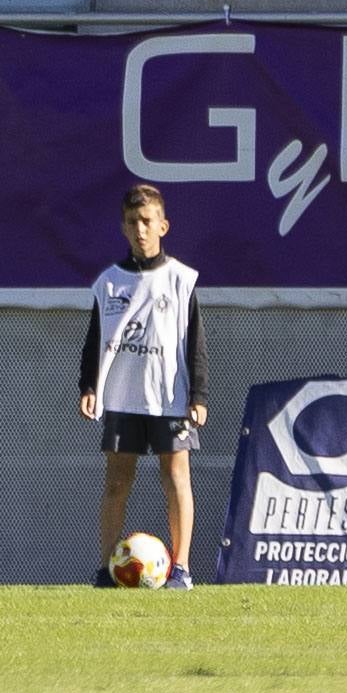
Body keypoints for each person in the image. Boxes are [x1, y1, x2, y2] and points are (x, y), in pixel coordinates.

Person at [78, 183, 207, 590]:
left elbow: (196, 341)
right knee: (116, 482)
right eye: (133, 222)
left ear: (163, 226)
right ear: (124, 228)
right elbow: (96, 337)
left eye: (148, 221)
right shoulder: (110, 281)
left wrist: (199, 394)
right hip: (122, 397)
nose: (141, 229)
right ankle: (106, 568)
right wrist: (88, 385)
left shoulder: (181, 280)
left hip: (168, 397)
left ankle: (182, 569)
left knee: (176, 478)